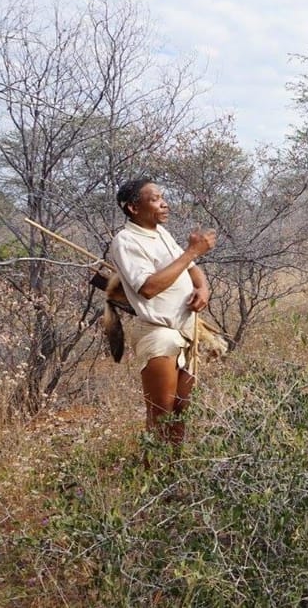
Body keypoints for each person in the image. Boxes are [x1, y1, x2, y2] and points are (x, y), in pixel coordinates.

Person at [109, 178, 216, 456]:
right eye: (155, 199)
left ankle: (173, 474)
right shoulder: (126, 240)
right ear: (133, 207)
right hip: (159, 334)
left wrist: (203, 289)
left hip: (186, 331)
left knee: (180, 411)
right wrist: (192, 250)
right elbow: (148, 287)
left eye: (162, 197)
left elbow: (192, 272)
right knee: (161, 414)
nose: (164, 203)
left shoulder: (161, 234)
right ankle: (153, 477)